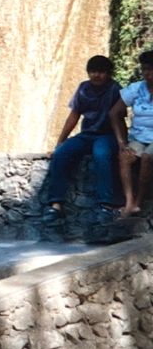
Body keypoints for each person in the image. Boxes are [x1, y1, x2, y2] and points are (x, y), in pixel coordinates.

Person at [45, 55, 122, 224]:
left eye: (101, 72)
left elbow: (119, 118)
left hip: (107, 135)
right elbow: (74, 116)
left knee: (101, 155)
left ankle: (106, 205)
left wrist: (123, 143)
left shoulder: (115, 89)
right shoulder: (83, 88)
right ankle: (56, 204)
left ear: (108, 73)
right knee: (61, 154)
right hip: (86, 134)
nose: (96, 75)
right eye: (93, 71)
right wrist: (60, 142)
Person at [110, 49, 153, 217]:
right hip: (138, 137)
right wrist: (122, 141)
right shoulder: (136, 89)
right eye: (145, 69)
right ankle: (129, 202)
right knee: (125, 157)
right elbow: (114, 113)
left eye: (151, 69)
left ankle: (139, 202)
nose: (148, 74)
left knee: (147, 158)